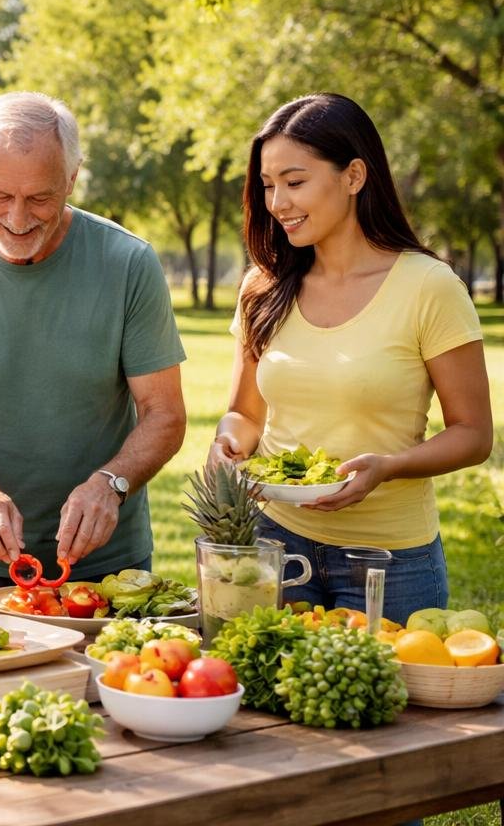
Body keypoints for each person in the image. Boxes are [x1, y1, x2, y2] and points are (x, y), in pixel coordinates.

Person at [0, 91, 187, 606]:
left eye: (40, 198)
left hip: (107, 567)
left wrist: (110, 484)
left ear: (72, 180)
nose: (17, 217)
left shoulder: (128, 263)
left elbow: (164, 413)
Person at [207, 93, 491, 622]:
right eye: (268, 186)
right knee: (269, 703)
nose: (277, 203)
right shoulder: (263, 286)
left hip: (390, 561)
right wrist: (227, 443)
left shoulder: (429, 287)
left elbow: (474, 434)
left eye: (295, 182)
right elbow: (245, 414)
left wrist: (388, 467)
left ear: (354, 176)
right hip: (277, 546)